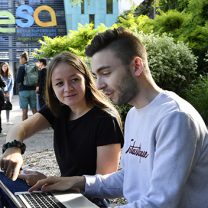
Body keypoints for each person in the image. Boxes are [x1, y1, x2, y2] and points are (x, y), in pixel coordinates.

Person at [29, 27, 208, 208]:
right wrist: (77, 182)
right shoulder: (133, 114)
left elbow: (160, 203)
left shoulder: (176, 118)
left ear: (137, 66)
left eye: (106, 73)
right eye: (96, 75)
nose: (98, 85)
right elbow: (130, 177)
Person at [0, 51, 123, 208]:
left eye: (74, 80)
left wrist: (52, 181)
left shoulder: (105, 120)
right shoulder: (59, 110)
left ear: (86, 79)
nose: (68, 88)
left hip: (89, 201)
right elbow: (20, 128)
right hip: (62, 193)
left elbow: (103, 185)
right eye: (59, 83)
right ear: (52, 87)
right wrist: (13, 149)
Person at [16, 51, 37, 120]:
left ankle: (25, 129)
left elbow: (18, 80)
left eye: (20, 59)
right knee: (34, 110)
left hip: (23, 91)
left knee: (24, 111)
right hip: (33, 91)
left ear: (23, 58)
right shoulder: (32, 66)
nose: (19, 61)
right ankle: (37, 127)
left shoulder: (22, 67)